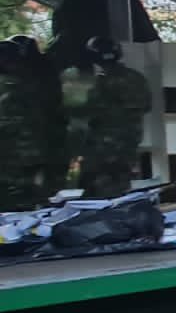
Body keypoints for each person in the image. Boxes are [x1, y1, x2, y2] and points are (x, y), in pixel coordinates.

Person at [69, 36, 152, 199]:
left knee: (97, 188)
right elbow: (147, 106)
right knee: (121, 182)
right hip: (130, 139)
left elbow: (88, 111)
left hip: (103, 145)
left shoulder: (99, 83)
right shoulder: (137, 78)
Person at [8, 35, 68, 199]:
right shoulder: (46, 68)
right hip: (50, 134)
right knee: (49, 185)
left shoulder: (21, 77)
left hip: (31, 140)